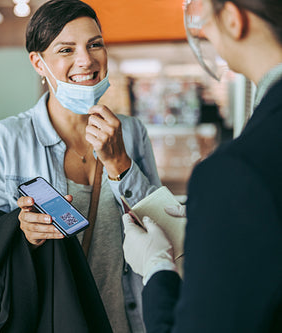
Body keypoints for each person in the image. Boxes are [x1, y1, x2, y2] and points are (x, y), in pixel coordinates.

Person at [0, 0, 161, 331]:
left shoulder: (131, 132)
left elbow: (160, 232)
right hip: (52, 319)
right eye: (66, 50)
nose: (85, 60)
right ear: (38, 63)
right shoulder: (4, 140)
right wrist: (22, 232)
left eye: (94, 44)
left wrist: (120, 165)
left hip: (127, 320)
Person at [122, 0, 282, 332]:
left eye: (206, 22)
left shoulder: (234, 171)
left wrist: (156, 269)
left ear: (234, 21)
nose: (205, 35)